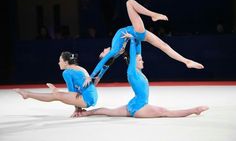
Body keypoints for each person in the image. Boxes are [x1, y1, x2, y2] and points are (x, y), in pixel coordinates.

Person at [79, 34, 209, 118]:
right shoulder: (132, 72)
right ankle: (194, 110)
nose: (143, 61)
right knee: (165, 112)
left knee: (108, 111)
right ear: (134, 63)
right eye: (140, 60)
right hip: (140, 107)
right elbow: (133, 53)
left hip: (133, 104)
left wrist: (136, 38)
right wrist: (130, 39)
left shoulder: (136, 71)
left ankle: (86, 113)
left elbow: (137, 52)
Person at [84, 0, 204, 86]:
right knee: (129, 3)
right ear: (105, 56)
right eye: (103, 53)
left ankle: (186, 61)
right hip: (137, 32)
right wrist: (91, 75)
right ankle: (154, 15)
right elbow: (103, 63)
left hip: (138, 36)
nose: (104, 50)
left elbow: (105, 66)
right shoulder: (115, 50)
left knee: (165, 46)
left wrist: (98, 78)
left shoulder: (117, 51)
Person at [14, 51, 98, 117]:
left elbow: (71, 91)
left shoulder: (66, 72)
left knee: (56, 95)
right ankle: (29, 94)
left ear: (66, 62)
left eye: (60, 61)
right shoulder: (80, 68)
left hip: (86, 98)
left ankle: (28, 94)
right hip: (93, 96)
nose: (58, 63)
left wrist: (77, 109)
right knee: (57, 94)